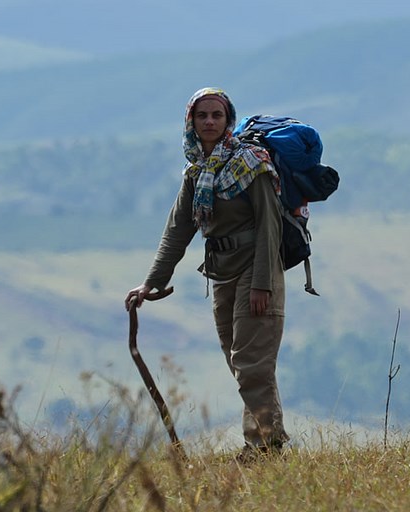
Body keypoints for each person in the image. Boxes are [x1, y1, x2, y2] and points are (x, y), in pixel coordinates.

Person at [124, 87, 289, 460]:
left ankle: (263, 448)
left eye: (217, 115)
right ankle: (269, 442)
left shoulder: (252, 162)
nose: (210, 122)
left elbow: (270, 226)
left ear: (229, 119)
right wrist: (151, 283)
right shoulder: (197, 170)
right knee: (242, 363)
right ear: (191, 122)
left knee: (252, 364)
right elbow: (178, 229)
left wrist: (263, 283)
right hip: (221, 272)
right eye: (202, 116)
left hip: (257, 270)